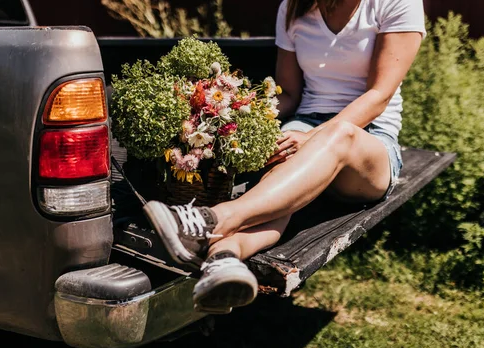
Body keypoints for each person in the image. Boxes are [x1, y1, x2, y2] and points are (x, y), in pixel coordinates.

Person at [144, 0, 426, 314]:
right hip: (305, 125)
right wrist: (235, 115)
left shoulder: (396, 3)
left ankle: (212, 219)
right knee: (278, 187)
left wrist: (310, 138)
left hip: (369, 143)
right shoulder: (293, 8)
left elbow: (379, 96)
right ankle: (224, 260)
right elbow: (289, 94)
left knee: (339, 136)